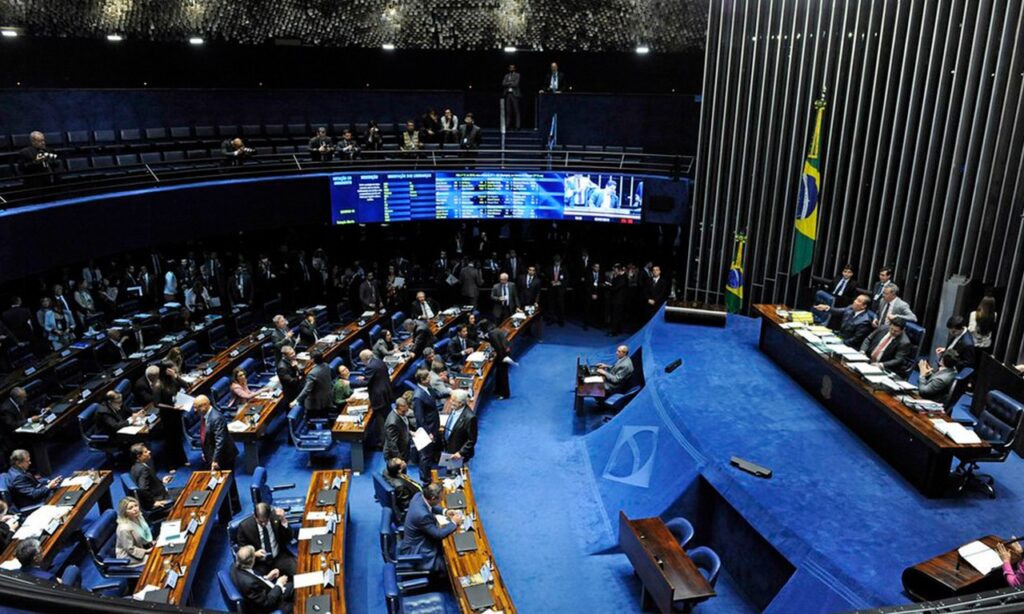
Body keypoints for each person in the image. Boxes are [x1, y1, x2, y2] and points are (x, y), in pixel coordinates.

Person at [400, 483, 463, 574]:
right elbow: (438, 534)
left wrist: (445, 511)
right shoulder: (422, 515)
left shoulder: (418, 496)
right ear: (433, 498)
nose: (441, 500)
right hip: (418, 550)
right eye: (440, 498)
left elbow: (429, 507)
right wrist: (454, 522)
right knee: (451, 565)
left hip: (417, 539)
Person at [237, 502, 297, 577]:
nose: (263, 524)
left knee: (299, 572)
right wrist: (254, 554)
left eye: (266, 521)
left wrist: (283, 520)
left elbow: (289, 537)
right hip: (259, 563)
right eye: (260, 522)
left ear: (269, 516)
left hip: (279, 557)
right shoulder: (245, 527)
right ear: (254, 517)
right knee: (256, 584)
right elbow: (241, 550)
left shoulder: (276, 517)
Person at [231, 545, 293, 614]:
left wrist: (267, 578)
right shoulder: (250, 584)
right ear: (252, 561)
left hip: (262, 591)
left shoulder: (234, 567)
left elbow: (255, 579)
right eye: (254, 555)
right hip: (269, 602)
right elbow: (267, 603)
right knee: (294, 586)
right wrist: (279, 584)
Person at [154, 360, 189, 470]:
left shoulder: (173, 380)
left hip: (176, 412)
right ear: (166, 370)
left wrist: (176, 376)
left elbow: (186, 386)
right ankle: (170, 465)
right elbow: (156, 403)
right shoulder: (158, 384)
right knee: (170, 440)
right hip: (167, 415)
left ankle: (182, 459)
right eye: (172, 368)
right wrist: (172, 408)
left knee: (178, 437)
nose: (175, 369)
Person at [129, 443, 179, 520]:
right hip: (160, 497)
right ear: (139, 456)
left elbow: (147, 482)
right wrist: (153, 503)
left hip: (157, 492)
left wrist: (161, 481)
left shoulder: (134, 467)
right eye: (145, 452)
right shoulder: (143, 469)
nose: (149, 452)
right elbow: (142, 488)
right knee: (186, 493)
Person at [412, 370, 441, 483]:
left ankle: (430, 472)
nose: (430, 379)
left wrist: (450, 391)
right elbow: (420, 418)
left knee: (430, 453)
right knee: (425, 454)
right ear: (422, 380)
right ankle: (425, 478)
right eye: (428, 378)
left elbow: (437, 395)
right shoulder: (418, 396)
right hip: (426, 428)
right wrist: (427, 432)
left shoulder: (428, 388)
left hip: (433, 425)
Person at [361, 348, 394, 447]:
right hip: (386, 393)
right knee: (387, 417)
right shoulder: (379, 362)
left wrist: (349, 383)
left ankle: (382, 443)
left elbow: (366, 382)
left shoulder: (370, 366)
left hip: (379, 397)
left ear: (364, 359)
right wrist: (366, 378)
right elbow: (375, 376)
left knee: (380, 421)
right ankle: (391, 437)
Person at [197, 394, 237, 473]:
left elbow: (220, 441)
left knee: (227, 481)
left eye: (197, 407)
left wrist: (215, 460)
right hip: (213, 453)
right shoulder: (204, 414)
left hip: (223, 456)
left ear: (205, 405)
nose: (194, 410)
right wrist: (205, 452)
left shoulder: (216, 418)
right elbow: (205, 436)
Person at [290, 351, 332, 420]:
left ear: (312, 360)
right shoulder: (326, 365)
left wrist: (296, 400)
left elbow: (307, 390)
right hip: (327, 398)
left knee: (309, 419)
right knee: (325, 415)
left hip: (316, 403)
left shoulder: (312, 374)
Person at [0, 387, 36, 465]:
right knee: (35, 441)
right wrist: (29, 420)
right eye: (24, 398)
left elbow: (30, 408)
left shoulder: (21, 401)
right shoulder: (5, 408)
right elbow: (12, 425)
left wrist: (42, 410)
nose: (25, 399)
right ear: (17, 398)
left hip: (21, 432)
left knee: (37, 439)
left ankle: (36, 467)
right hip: (11, 437)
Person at [115, 496, 154, 566]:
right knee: (153, 559)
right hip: (128, 556)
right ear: (125, 512)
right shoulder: (124, 528)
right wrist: (146, 551)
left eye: (136, 505)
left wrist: (151, 543)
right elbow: (130, 549)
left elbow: (144, 533)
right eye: (130, 508)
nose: (135, 509)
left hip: (141, 546)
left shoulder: (138, 516)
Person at [441, 389, 476, 463]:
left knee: (458, 473)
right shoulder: (454, 409)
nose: (451, 402)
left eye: (454, 401)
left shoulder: (470, 417)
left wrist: (461, 453)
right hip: (449, 447)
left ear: (461, 403)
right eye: (451, 399)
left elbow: (471, 439)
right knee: (449, 471)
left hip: (459, 453)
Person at [384, 457, 422, 523]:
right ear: (399, 470)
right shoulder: (400, 487)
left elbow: (402, 474)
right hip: (417, 499)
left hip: (413, 490)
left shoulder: (388, 471)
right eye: (402, 463)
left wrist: (403, 468)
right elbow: (407, 504)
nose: (403, 461)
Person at [484, 319, 513, 399]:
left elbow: (499, 347)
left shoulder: (491, 334)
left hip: (503, 355)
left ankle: (504, 394)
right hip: (503, 353)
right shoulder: (496, 330)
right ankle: (497, 390)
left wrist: (500, 359)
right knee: (498, 374)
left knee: (503, 375)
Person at [384, 396, 414, 462]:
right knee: (398, 472)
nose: (406, 413)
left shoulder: (402, 413)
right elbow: (392, 444)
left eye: (407, 410)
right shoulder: (392, 423)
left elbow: (402, 428)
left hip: (403, 450)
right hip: (396, 455)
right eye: (403, 411)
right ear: (397, 408)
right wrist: (399, 460)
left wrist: (409, 432)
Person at [502, 64, 521, 130]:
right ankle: (507, 125)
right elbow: (503, 83)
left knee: (516, 111)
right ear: (509, 68)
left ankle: (517, 126)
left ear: (515, 68)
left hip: (515, 94)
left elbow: (516, 84)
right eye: (510, 68)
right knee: (508, 111)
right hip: (508, 94)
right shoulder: (506, 75)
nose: (511, 69)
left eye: (513, 68)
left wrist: (508, 83)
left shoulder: (517, 75)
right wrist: (510, 82)